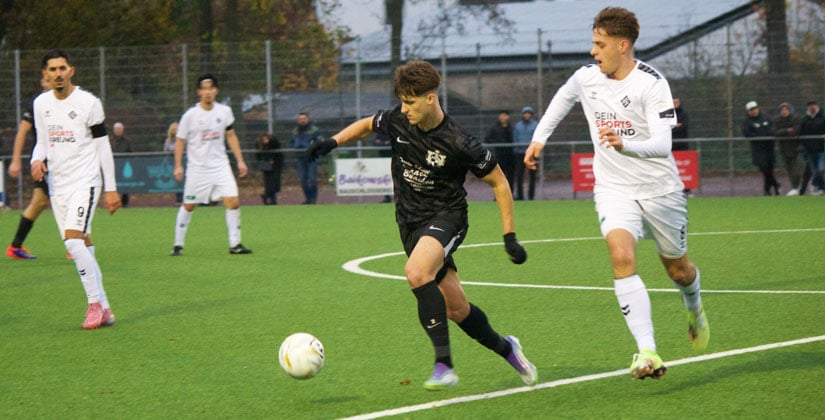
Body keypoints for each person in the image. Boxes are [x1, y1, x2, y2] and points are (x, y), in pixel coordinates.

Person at [307, 60, 537, 390]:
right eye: (401, 101)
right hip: (409, 224)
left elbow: (499, 182)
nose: (404, 109)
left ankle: (444, 365)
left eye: (410, 102)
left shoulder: (460, 142)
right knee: (457, 309)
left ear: (430, 98)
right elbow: (368, 124)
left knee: (416, 272)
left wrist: (509, 235)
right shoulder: (400, 120)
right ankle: (509, 349)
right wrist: (333, 142)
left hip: (448, 217)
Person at [524, 6, 709, 380]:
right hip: (613, 188)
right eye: (593, 43)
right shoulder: (586, 78)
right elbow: (562, 98)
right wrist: (539, 139)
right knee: (621, 256)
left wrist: (626, 145)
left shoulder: (652, 84)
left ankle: (694, 306)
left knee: (678, 270)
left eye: (600, 44)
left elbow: (662, 145)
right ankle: (647, 351)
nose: (593, 51)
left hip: (660, 191)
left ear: (622, 45)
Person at [30, 49, 121, 329]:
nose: (58, 74)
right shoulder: (41, 104)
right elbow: (42, 141)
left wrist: (111, 188)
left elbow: (102, 146)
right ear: (45, 74)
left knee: (72, 241)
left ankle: (94, 305)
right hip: (58, 185)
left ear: (71, 70)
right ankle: (105, 308)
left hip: (86, 181)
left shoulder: (89, 103)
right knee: (84, 245)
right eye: (52, 69)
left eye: (62, 68)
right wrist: (36, 159)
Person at [170, 74, 252, 256]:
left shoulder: (224, 111)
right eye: (204, 89)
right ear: (199, 92)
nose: (207, 92)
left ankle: (235, 244)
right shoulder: (190, 116)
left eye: (211, 88)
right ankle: (177, 244)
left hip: (220, 166)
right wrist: (178, 165)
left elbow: (231, 135)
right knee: (189, 205)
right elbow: (180, 140)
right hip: (197, 168)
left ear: (216, 91)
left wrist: (240, 160)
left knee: (233, 201)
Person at [6, 77, 50, 260]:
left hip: (64, 160)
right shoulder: (37, 104)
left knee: (39, 201)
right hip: (44, 162)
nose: (53, 79)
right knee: (65, 198)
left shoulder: (67, 103)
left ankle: (15, 246)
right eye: (47, 77)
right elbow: (22, 131)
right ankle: (77, 244)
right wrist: (16, 160)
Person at [742, 101, 781, 196]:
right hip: (758, 149)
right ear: (748, 111)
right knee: (764, 168)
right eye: (751, 110)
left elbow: (772, 130)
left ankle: (767, 190)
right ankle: (776, 184)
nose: (754, 111)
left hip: (769, 148)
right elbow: (748, 134)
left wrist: (765, 134)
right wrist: (761, 135)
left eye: (755, 108)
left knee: (770, 169)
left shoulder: (766, 118)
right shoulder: (747, 122)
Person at [290, 112, 323, 204]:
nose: (302, 121)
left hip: (311, 157)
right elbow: (291, 142)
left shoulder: (315, 130)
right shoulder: (295, 131)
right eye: (300, 119)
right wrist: (295, 148)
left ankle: (313, 199)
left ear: (308, 119)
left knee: (312, 179)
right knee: (303, 180)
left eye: (304, 119)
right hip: (300, 157)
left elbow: (320, 141)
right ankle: (308, 199)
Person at [773, 102, 802, 196]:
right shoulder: (777, 120)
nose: (784, 111)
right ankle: (795, 187)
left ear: (790, 110)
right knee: (789, 168)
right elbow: (776, 132)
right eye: (782, 110)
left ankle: (796, 187)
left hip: (794, 147)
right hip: (783, 148)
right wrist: (786, 130)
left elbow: (796, 131)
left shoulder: (795, 119)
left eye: (786, 109)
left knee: (795, 168)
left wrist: (785, 132)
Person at [798, 101, 825, 195]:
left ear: (817, 106)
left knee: (820, 169)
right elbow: (801, 132)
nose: (812, 107)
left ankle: (817, 185)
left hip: (821, 148)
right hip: (810, 149)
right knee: (814, 171)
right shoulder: (804, 119)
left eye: (813, 105)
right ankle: (820, 187)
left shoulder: (822, 117)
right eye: (810, 106)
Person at [485, 110, 515, 192]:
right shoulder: (495, 128)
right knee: (499, 177)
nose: (502, 117)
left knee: (510, 176)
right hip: (499, 155)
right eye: (501, 116)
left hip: (510, 156)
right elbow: (487, 139)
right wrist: (497, 143)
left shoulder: (512, 128)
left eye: (504, 115)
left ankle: (510, 193)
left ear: (508, 117)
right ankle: (498, 194)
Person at [513, 106, 538, 200]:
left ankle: (531, 196)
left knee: (532, 175)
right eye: (525, 113)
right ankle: (520, 195)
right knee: (519, 175)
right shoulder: (518, 125)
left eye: (528, 113)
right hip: (520, 153)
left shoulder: (535, 125)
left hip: (532, 153)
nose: (527, 115)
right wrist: (516, 149)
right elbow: (515, 138)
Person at [671, 97, 692, 195]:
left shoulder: (684, 113)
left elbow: (683, 126)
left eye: (677, 102)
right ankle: (672, 188)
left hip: (682, 145)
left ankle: (687, 189)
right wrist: (675, 125)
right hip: (670, 145)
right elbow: (665, 126)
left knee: (685, 169)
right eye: (673, 102)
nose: (675, 103)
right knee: (672, 168)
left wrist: (673, 126)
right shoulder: (668, 113)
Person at [255, 132, 283, 205]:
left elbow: (276, 145)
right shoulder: (260, 146)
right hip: (266, 166)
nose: (265, 141)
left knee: (275, 182)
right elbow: (258, 156)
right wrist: (262, 161)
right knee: (268, 182)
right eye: (263, 139)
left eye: (266, 139)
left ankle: (268, 196)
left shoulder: (273, 144)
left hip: (276, 165)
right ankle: (270, 198)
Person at [110, 122, 133, 206]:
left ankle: (124, 203)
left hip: (124, 165)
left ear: (123, 130)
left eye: (120, 129)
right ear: (114, 130)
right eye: (117, 129)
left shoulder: (127, 141)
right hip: (113, 165)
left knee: (125, 184)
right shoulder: (110, 141)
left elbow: (130, 152)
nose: (118, 131)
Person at [163, 122, 183, 204]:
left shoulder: (183, 140)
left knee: (182, 181)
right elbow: (165, 151)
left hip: (182, 162)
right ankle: (178, 200)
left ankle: (185, 199)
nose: (176, 131)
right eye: (174, 129)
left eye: (177, 129)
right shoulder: (168, 141)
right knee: (175, 181)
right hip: (171, 164)